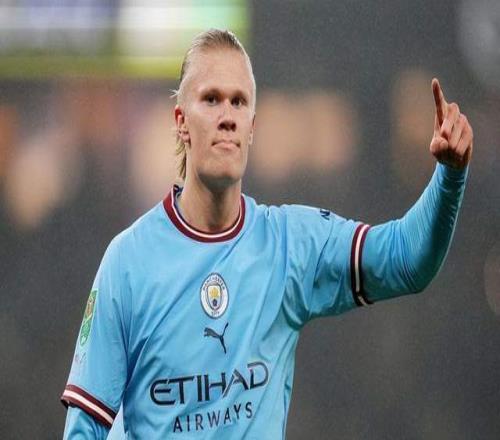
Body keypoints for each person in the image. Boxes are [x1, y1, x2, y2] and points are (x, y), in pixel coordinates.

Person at [61, 29, 473, 439]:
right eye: (211, 99)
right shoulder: (129, 261)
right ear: (181, 122)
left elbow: (407, 260)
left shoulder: (290, 245)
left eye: (239, 102)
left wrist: (450, 177)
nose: (227, 116)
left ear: (251, 128)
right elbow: (83, 429)